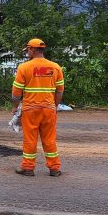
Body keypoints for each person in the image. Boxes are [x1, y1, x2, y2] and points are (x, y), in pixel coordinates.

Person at [11, 38, 65, 177]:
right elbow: (60, 91)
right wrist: (55, 106)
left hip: (30, 110)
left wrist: (15, 107)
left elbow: (16, 92)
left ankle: (28, 168)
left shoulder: (24, 67)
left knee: (30, 140)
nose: (27, 52)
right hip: (49, 109)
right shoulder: (55, 67)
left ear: (32, 49)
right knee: (49, 139)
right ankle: (54, 168)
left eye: (28, 50)